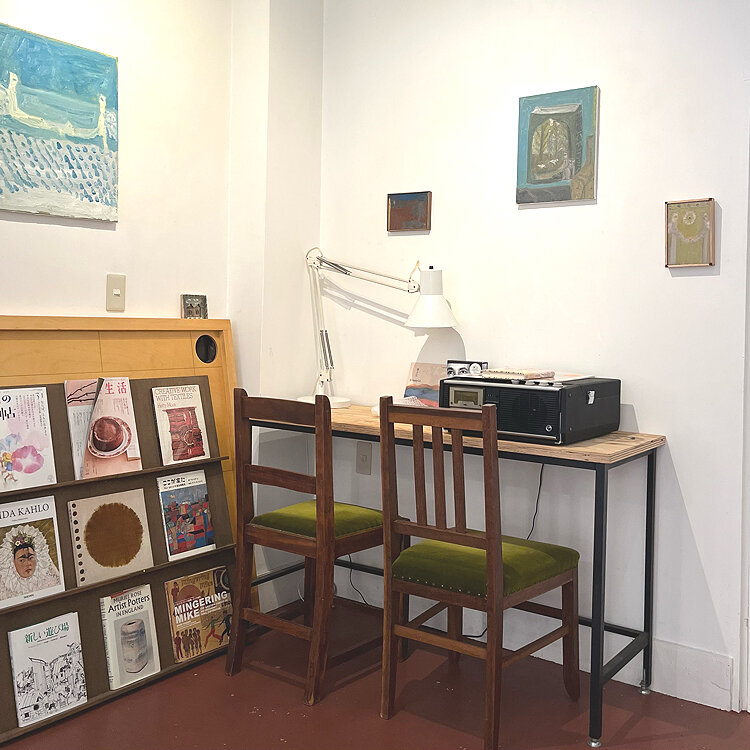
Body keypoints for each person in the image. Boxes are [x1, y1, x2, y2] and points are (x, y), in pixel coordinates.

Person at [0, 524, 61, 602]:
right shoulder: (5, 593)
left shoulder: (50, 582)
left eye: (31, 558)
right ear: (12, 563)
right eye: (22, 560)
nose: (28, 563)